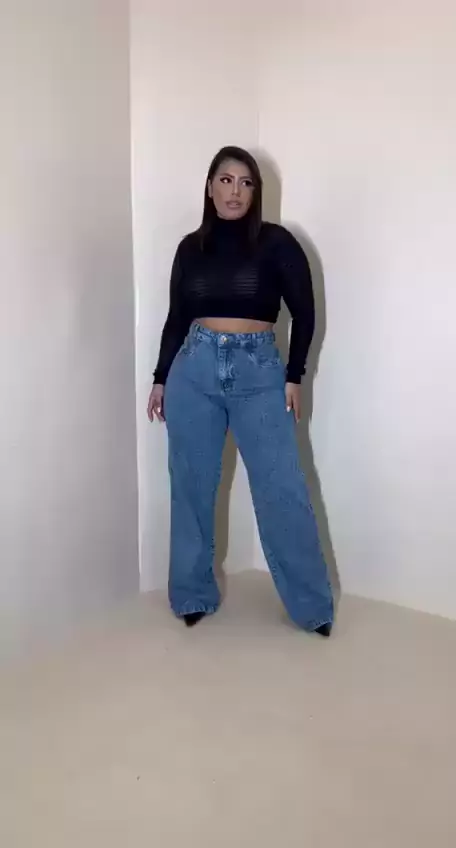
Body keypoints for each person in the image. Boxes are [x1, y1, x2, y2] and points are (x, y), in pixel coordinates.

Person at [147, 146, 334, 636]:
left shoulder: (276, 243)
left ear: (256, 192)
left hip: (260, 373)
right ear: (210, 188)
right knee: (191, 485)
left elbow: (305, 312)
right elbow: (176, 318)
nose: (235, 191)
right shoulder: (190, 248)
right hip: (194, 370)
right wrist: (161, 377)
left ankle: (312, 607)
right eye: (226, 180)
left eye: (246, 182)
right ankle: (192, 593)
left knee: (282, 487)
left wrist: (294, 375)